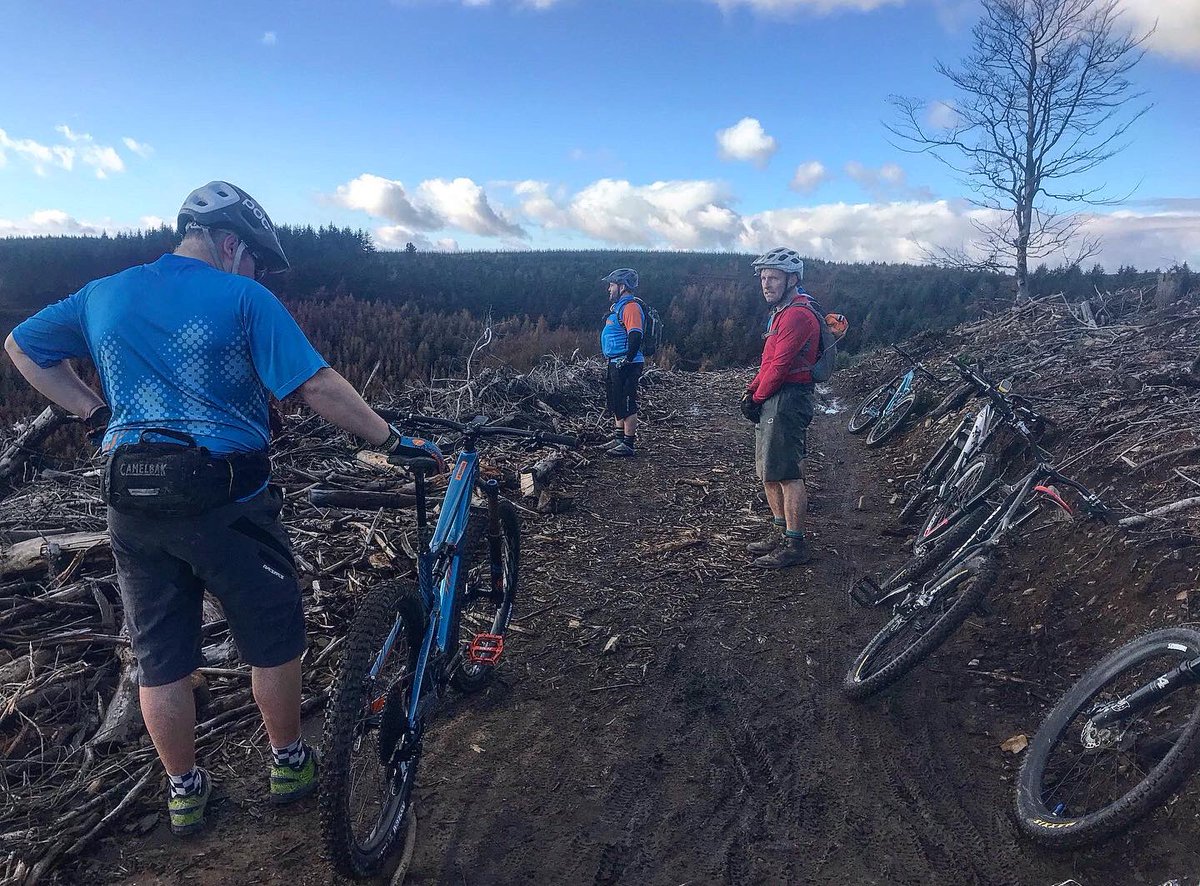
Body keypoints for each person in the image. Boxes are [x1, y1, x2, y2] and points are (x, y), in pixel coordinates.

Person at [3, 181, 411, 836]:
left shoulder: (105, 293)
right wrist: (391, 441)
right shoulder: (245, 297)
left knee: (161, 655)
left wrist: (92, 410)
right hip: (227, 499)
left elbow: (22, 345)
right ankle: (288, 761)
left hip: (129, 499)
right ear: (229, 242)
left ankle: (185, 791)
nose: (256, 272)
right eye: (254, 258)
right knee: (273, 639)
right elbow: (316, 385)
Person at [740, 247, 821, 569]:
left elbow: (781, 365)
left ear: (792, 279)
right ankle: (779, 533)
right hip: (775, 395)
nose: (766, 284)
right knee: (768, 471)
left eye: (773, 277)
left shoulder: (798, 315)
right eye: (762, 278)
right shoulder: (781, 312)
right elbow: (767, 362)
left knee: (787, 473)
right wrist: (751, 391)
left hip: (789, 397)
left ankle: (795, 543)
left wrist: (757, 398)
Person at [599, 268, 645, 457]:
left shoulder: (631, 307)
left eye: (611, 285)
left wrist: (627, 360)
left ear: (622, 286)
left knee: (627, 402)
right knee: (617, 401)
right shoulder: (619, 307)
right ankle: (619, 438)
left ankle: (628, 443)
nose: (609, 289)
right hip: (616, 362)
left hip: (627, 363)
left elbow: (635, 335)